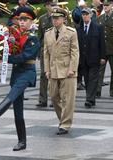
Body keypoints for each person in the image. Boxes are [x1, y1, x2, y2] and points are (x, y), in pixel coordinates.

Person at [0, 7, 40, 151]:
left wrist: (7, 59)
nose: (22, 22)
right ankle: (22, 141)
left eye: (25, 20)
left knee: (14, 93)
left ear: (31, 22)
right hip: (17, 72)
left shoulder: (32, 38)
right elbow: (7, 47)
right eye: (20, 20)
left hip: (27, 72)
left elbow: (26, 56)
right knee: (18, 109)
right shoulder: (14, 35)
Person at [44, 7, 79, 135]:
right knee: (53, 97)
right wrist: (46, 70)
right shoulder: (48, 33)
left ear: (63, 19)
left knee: (68, 99)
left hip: (67, 70)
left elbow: (75, 52)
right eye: (53, 18)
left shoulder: (71, 32)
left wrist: (72, 69)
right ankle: (62, 119)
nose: (55, 20)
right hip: (53, 70)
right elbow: (46, 53)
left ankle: (65, 124)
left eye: (57, 18)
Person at [76, 7, 105, 108]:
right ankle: (91, 99)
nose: (85, 16)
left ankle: (89, 99)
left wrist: (103, 57)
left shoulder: (98, 27)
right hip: (83, 60)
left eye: (86, 14)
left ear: (91, 15)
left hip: (94, 58)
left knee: (93, 79)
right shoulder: (79, 29)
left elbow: (102, 44)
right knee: (87, 80)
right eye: (83, 15)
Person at [35, 0, 54, 108]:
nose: (52, 7)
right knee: (43, 74)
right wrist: (38, 51)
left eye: (54, 5)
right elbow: (39, 36)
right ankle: (42, 100)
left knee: (54, 75)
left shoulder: (59, 17)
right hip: (44, 49)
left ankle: (54, 99)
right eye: (50, 5)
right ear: (46, 6)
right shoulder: (42, 19)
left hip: (55, 49)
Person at [96, 0, 113, 97]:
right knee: (99, 71)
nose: (105, 7)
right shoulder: (100, 19)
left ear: (111, 6)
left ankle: (112, 91)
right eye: (104, 5)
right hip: (102, 50)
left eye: (107, 5)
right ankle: (97, 90)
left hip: (112, 49)